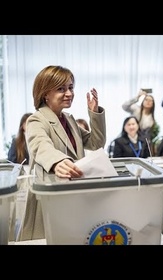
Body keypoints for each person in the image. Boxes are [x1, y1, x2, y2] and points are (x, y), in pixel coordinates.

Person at [22, 65, 106, 240]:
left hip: (71, 195)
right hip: (50, 198)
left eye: (70, 88)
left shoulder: (68, 119)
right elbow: (40, 145)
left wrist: (94, 113)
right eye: (61, 89)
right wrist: (57, 161)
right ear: (45, 94)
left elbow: (96, 143)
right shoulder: (37, 119)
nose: (69, 93)